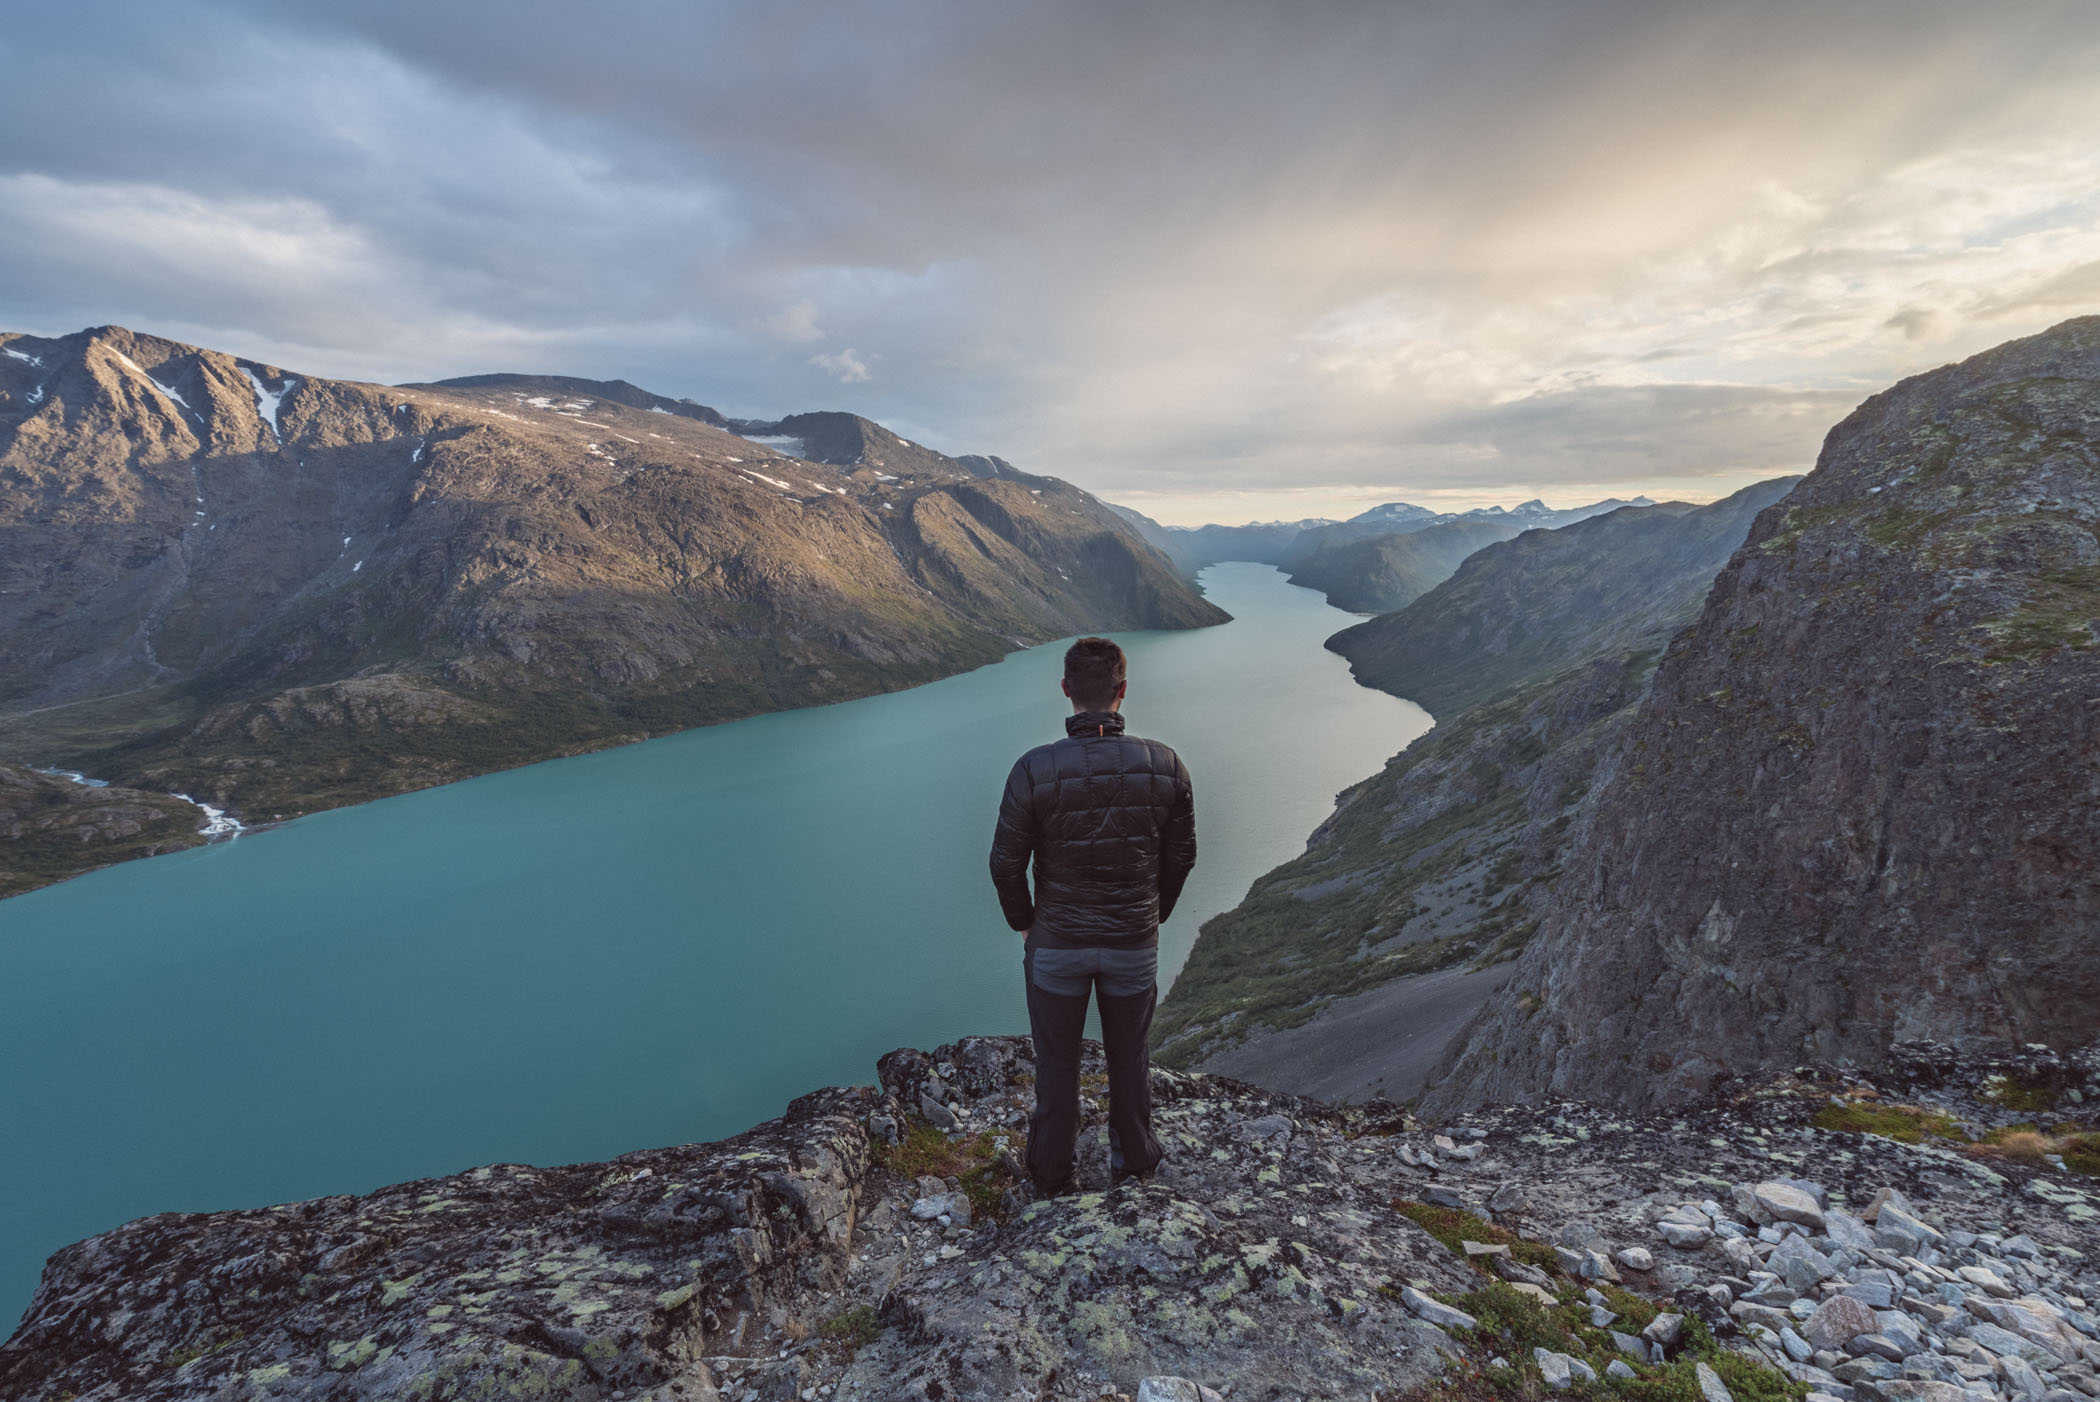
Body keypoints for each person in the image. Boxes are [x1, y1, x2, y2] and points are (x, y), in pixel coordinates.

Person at [988, 636, 1196, 1195]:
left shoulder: (1033, 769)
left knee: (1055, 1064)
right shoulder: (1166, 765)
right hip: (1132, 941)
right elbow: (1181, 857)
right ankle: (1134, 1162)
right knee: (1130, 1057)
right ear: (1122, 692)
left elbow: (1005, 864)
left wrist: (1025, 923)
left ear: (1066, 690)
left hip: (1056, 945)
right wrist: (1152, 915)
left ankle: (1051, 1174)